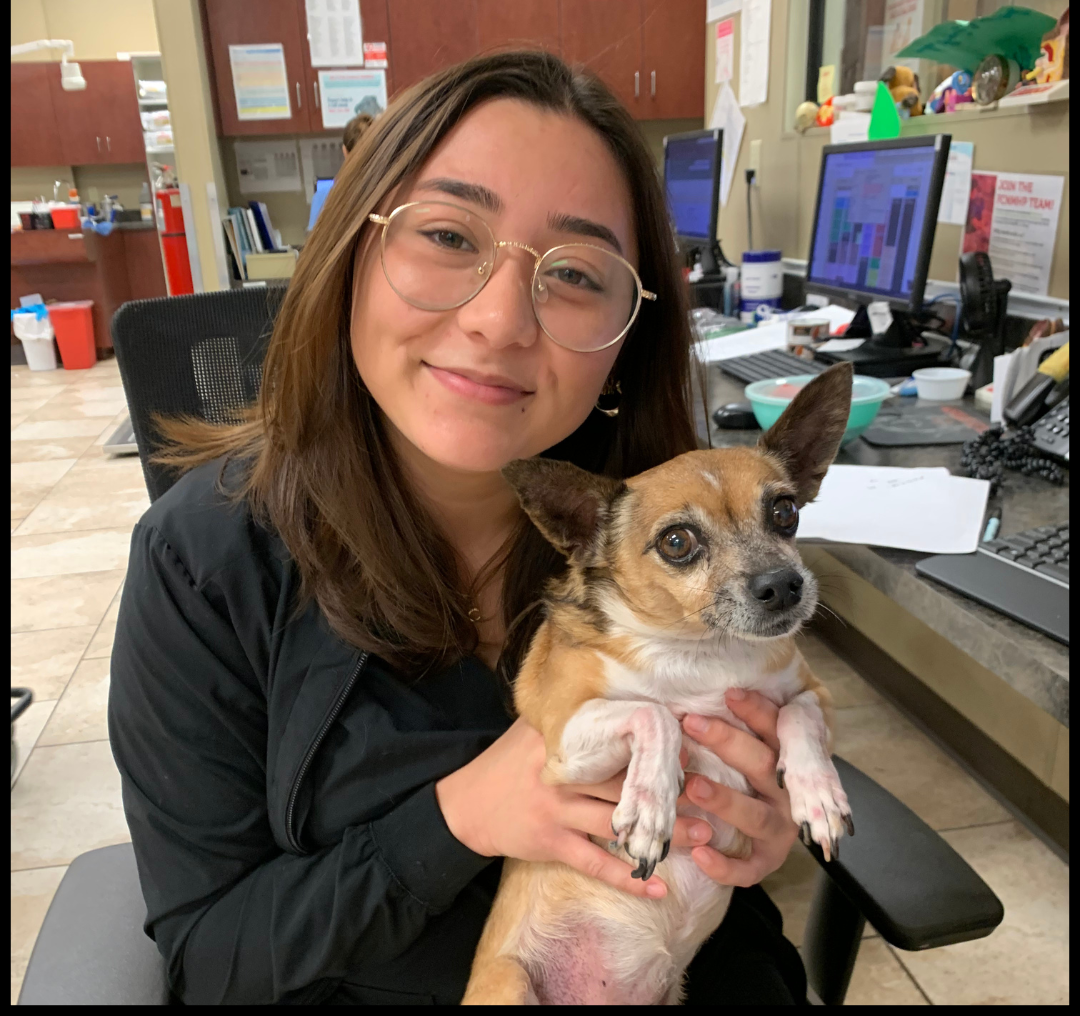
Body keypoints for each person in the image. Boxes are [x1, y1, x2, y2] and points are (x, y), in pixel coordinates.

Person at [108, 50, 805, 1005]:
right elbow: (214, 958)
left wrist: (755, 835)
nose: (499, 318)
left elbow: (717, 907)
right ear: (351, 256)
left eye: (575, 272)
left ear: (626, 332)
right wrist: (462, 819)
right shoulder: (205, 561)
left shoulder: (670, 528)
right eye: (446, 234)